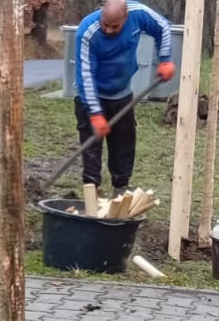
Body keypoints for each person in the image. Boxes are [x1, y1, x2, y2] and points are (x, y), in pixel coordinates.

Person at [74, 0, 174, 194]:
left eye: (115, 26)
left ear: (125, 18)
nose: (109, 30)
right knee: (91, 145)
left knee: (123, 142)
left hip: (121, 93)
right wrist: (95, 113)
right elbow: (85, 76)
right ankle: (91, 189)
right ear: (101, 14)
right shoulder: (87, 32)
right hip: (92, 93)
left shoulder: (138, 14)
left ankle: (120, 187)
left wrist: (165, 59)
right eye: (105, 24)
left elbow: (163, 27)